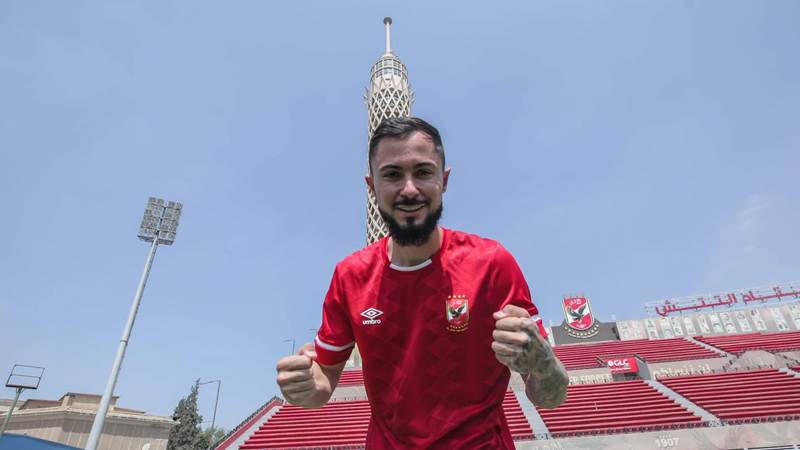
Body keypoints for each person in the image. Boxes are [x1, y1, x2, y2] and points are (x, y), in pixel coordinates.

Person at [276, 117, 568, 449]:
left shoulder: (491, 263)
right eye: (392, 174)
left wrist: (543, 364)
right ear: (372, 186)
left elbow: (552, 396)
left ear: (444, 180)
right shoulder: (350, 276)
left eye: (423, 172)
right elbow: (323, 380)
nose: (409, 189)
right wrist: (305, 385)